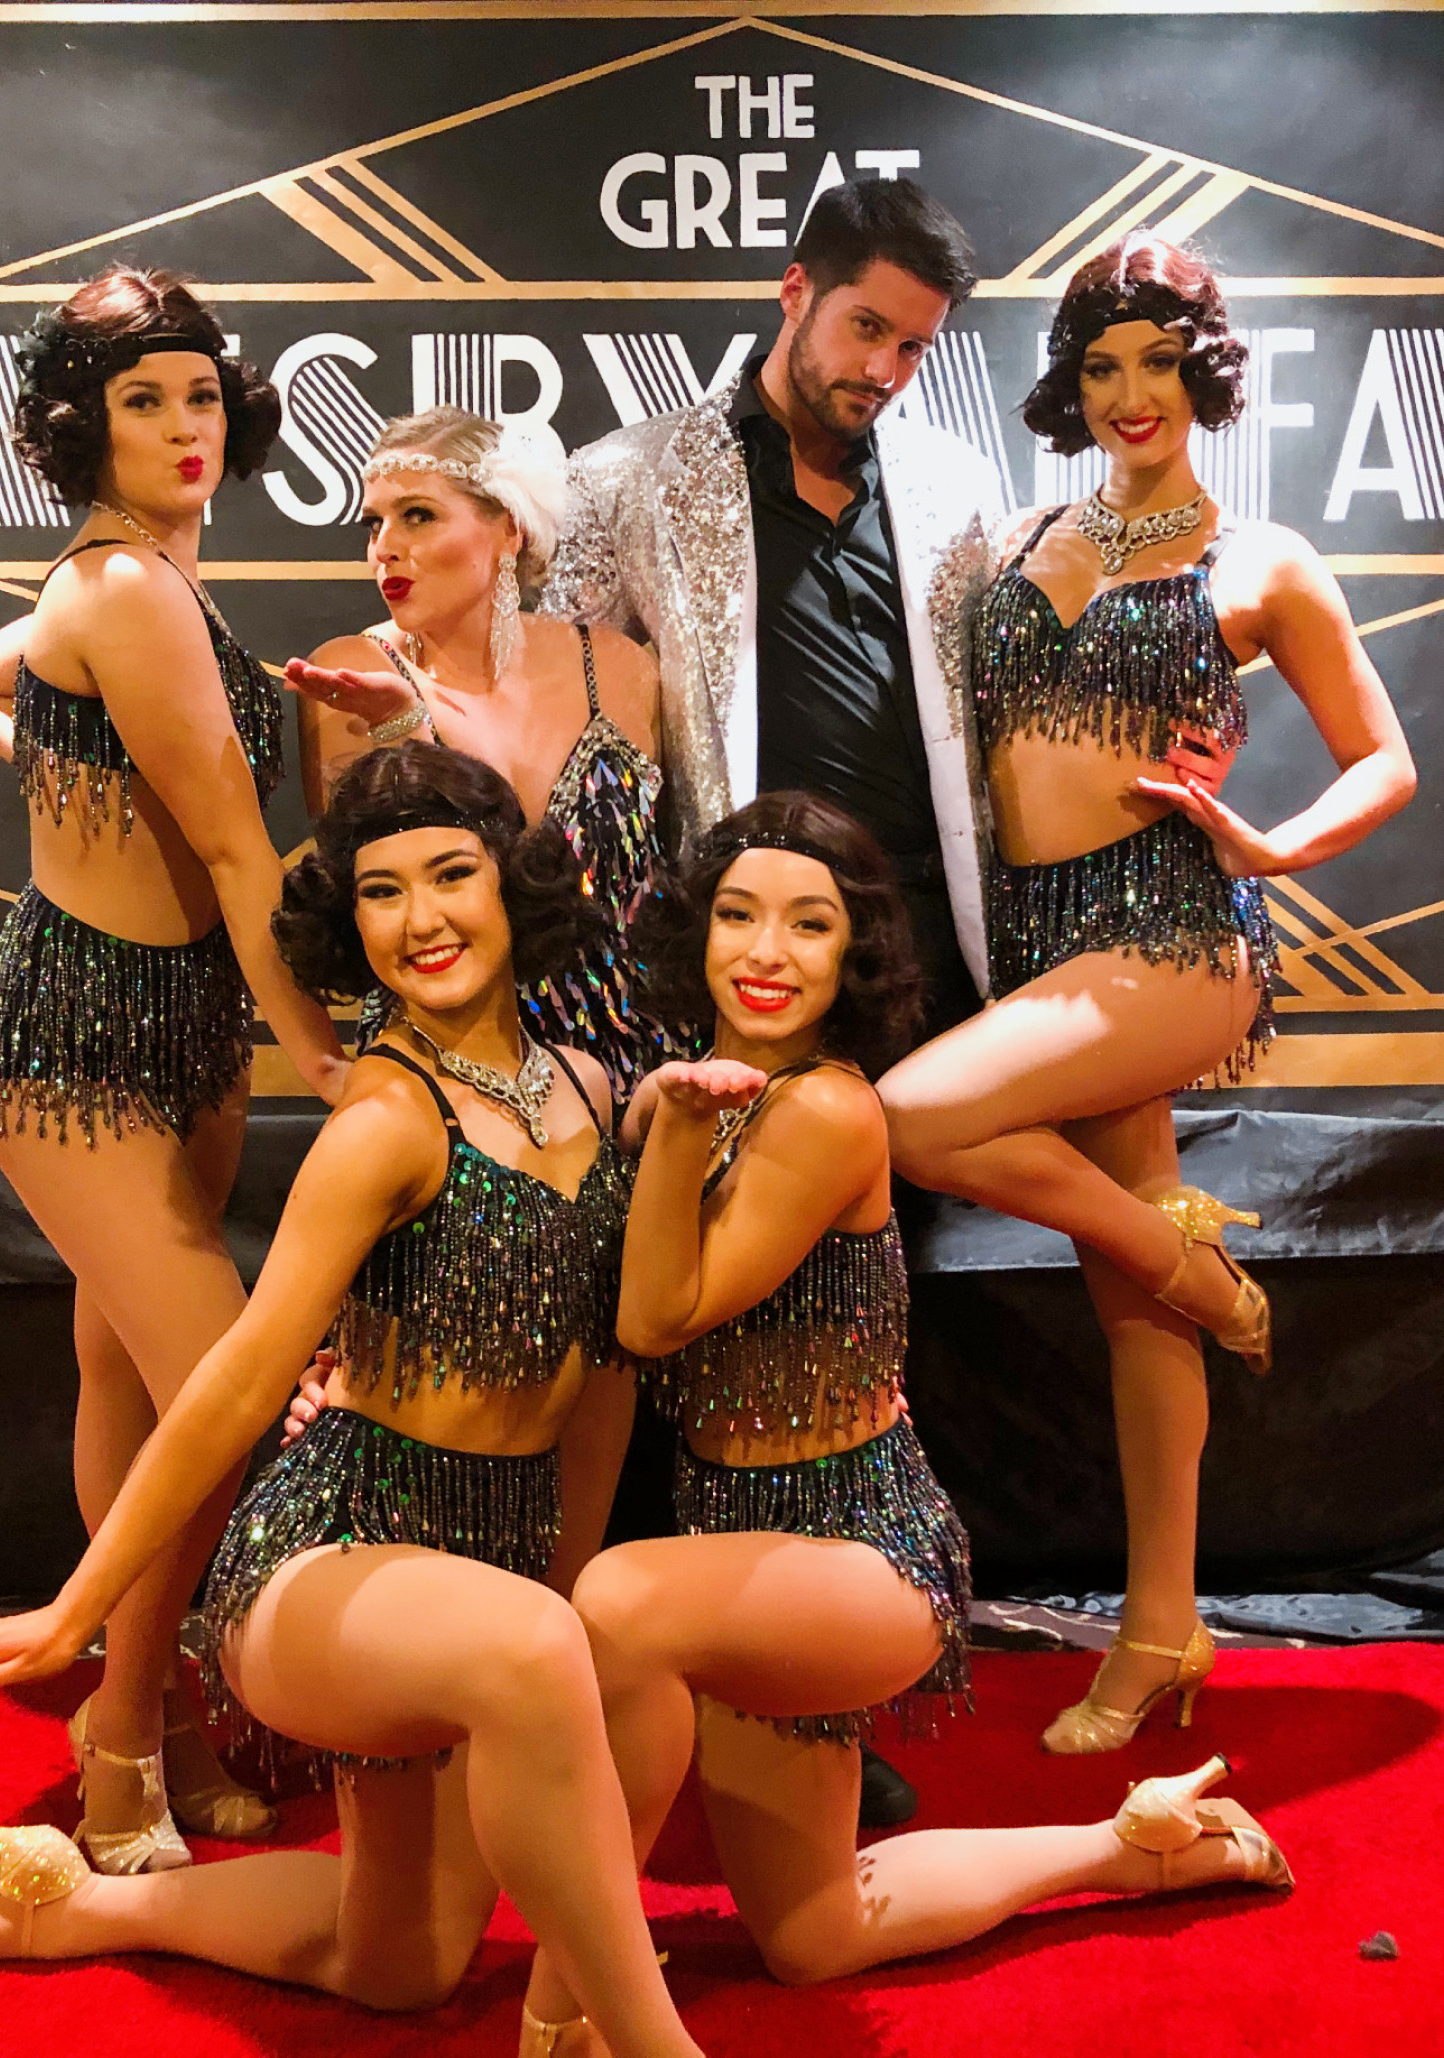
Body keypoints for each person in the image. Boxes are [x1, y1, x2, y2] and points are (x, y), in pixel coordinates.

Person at [0, 744, 705, 2058]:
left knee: (400, 1961)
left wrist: (562, 1575)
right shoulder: (386, 1118)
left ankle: (75, 1911)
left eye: (450, 876)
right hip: (333, 1557)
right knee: (535, 1647)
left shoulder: (585, 1087)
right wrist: (80, 1606)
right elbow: (236, 1373)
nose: (420, 918)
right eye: (383, 893)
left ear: (512, 887)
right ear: (352, 925)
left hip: (490, 1566)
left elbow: (604, 1377)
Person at [516, 791, 1291, 2037]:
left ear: (853, 956)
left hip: (859, 1551)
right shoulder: (699, 1097)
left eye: (809, 925)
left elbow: (658, 1318)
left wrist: (668, 1123)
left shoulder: (825, 1109)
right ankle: (1133, 1846)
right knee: (813, 1935)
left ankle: (571, 2020)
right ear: (696, 932)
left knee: (615, 1602)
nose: (767, 953)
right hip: (735, 1552)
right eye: (738, 916)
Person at [876, 234, 1416, 1751]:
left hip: (1171, 936)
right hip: (1033, 940)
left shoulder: (1260, 561)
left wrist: (1272, 841)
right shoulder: (1018, 534)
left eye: (1160, 362)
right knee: (1131, 1302)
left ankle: (1200, 1272)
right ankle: (1163, 1626)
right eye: (1104, 364)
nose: (1131, 393)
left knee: (912, 1119)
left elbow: (1385, 758)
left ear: (1204, 373)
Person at [541, 169, 1005, 1824]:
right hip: (718, 967)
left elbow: (1002, 708)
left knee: (848, 1335)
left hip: (898, 977)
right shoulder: (628, 479)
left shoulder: (954, 484)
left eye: (913, 345)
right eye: (864, 326)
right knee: (683, 1333)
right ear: (791, 290)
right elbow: (558, 709)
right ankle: (652, 1687)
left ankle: (813, 1695)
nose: (883, 367)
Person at [0, 266, 348, 1869]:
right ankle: (123, 1732)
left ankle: (162, 1712)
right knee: (221, 1399)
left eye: (199, 396)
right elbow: (242, 853)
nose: (186, 427)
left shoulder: (165, 579)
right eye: (143, 401)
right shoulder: (122, 586)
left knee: (129, 1380)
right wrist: (322, 1056)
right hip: (72, 1041)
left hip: (183, 1028)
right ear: (81, 427)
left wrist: (73, 774)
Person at [285, 407, 679, 1108]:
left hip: (642, 1060)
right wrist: (403, 729)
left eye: (417, 516)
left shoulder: (620, 666)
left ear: (509, 529)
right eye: (373, 524)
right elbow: (388, 897)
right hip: (452, 1071)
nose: (384, 548)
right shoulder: (354, 673)